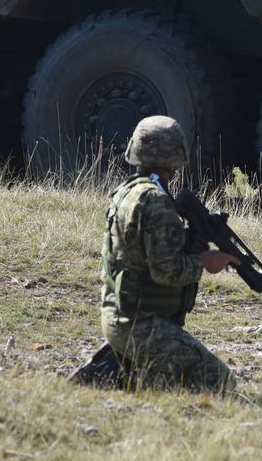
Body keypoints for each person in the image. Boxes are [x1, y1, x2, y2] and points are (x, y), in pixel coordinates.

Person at [95, 115, 237, 393]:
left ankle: (137, 377)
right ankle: (128, 377)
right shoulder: (157, 202)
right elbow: (166, 272)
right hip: (139, 325)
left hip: (116, 313)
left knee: (170, 382)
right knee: (221, 382)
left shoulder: (126, 191)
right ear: (177, 154)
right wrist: (206, 261)